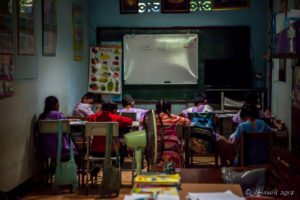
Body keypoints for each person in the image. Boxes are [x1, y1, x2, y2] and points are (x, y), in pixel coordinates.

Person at [141, 99, 191, 168]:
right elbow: (188, 122)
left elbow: (141, 122)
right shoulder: (173, 117)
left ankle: (157, 169)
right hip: (173, 146)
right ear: (169, 109)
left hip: (156, 146)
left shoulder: (152, 118)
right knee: (181, 143)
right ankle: (176, 170)